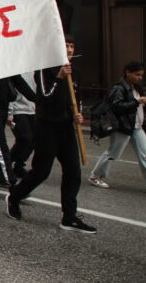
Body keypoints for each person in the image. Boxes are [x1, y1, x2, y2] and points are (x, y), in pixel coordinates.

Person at [6, 37, 96, 233]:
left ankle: (69, 217)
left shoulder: (75, 72)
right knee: (41, 171)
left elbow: (77, 98)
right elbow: (44, 97)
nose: (70, 49)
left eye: (72, 46)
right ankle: (14, 197)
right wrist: (59, 78)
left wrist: (78, 115)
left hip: (66, 127)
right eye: (66, 46)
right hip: (47, 126)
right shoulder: (45, 69)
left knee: (73, 172)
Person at [88, 61, 146, 193]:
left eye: (141, 75)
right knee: (113, 153)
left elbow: (139, 108)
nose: (140, 78)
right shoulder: (118, 88)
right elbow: (116, 107)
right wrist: (136, 101)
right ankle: (95, 176)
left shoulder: (135, 87)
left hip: (137, 127)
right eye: (137, 74)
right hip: (123, 126)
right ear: (128, 73)